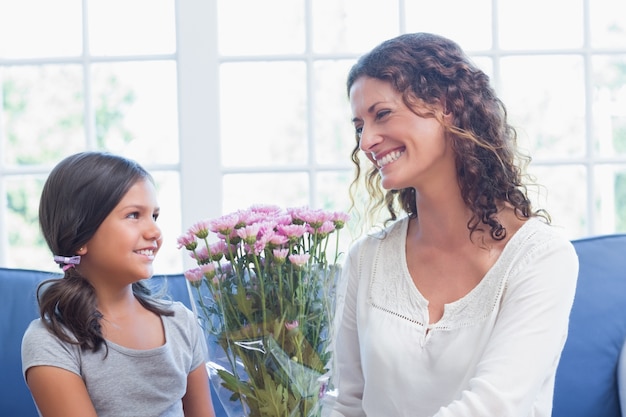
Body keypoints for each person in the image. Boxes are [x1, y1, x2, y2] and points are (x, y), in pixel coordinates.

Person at [329, 33, 579, 417]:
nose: (366, 142)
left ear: (446, 107)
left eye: (381, 114)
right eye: (359, 125)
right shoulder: (367, 259)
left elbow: (494, 407)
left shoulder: (541, 258)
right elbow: (346, 405)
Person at [21, 152, 216, 417]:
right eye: (134, 215)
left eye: (154, 216)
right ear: (80, 235)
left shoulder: (182, 323)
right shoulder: (52, 342)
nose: (155, 232)